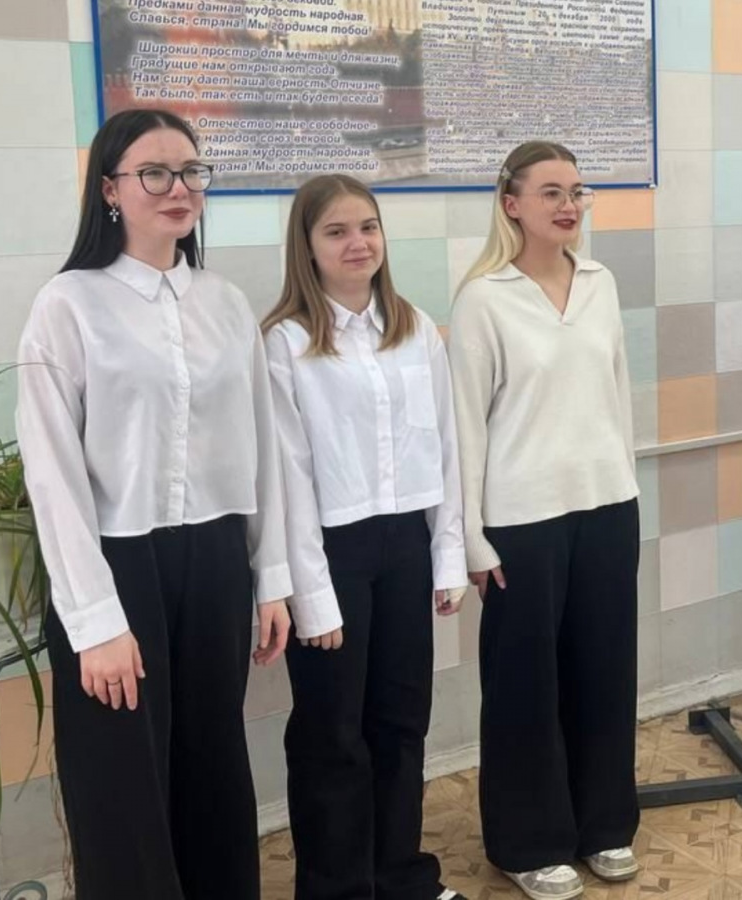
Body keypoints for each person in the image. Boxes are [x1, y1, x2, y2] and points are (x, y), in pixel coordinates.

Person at [15, 107, 292, 900]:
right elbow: (52, 473)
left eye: (192, 172)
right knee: (122, 790)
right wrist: (95, 621)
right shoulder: (69, 304)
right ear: (110, 189)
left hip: (215, 561)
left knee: (214, 768)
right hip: (116, 564)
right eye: (155, 173)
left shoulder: (224, 302)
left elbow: (262, 448)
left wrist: (271, 577)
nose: (179, 188)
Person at [262, 174, 469, 900]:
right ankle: (339, 887)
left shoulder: (413, 327)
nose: (358, 243)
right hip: (331, 552)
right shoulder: (286, 342)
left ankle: (400, 876)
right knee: (333, 734)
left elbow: (445, 448)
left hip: (405, 545)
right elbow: (286, 477)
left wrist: (447, 558)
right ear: (308, 246)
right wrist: (312, 597)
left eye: (368, 227)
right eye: (337, 231)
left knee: (401, 719)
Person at [448, 141, 640, 900]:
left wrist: (626, 485)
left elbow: (617, 393)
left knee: (604, 672)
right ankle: (528, 842)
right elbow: (465, 426)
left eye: (576, 192)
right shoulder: (483, 299)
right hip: (520, 519)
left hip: (606, 505)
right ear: (512, 204)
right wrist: (470, 536)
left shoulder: (601, 282)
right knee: (525, 685)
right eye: (551, 192)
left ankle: (604, 825)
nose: (568, 205)